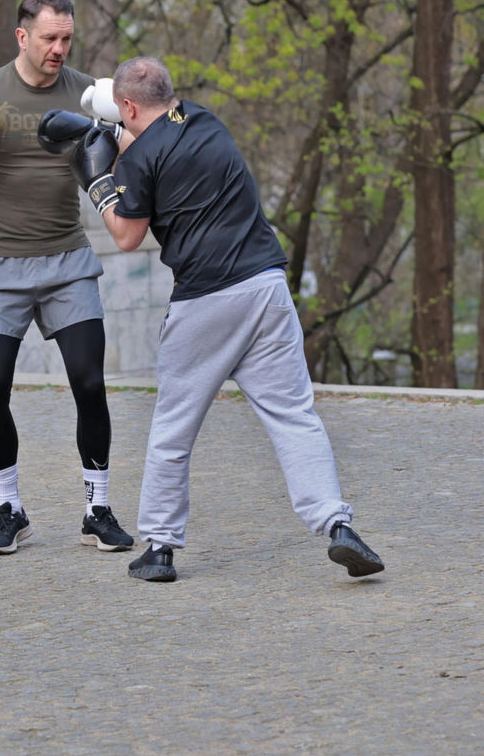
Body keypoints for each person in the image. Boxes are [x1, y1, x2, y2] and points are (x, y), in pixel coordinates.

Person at [65, 56, 385, 582]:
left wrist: (97, 182)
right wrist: (118, 138)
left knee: (173, 428)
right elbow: (159, 147)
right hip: (267, 290)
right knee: (294, 416)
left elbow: (126, 235)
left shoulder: (140, 158)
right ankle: (338, 525)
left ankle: (160, 548)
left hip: (207, 301)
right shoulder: (206, 120)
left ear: (127, 108)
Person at [0, 0, 133, 556]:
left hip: (67, 261)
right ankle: (10, 508)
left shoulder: (88, 94)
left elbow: (128, 158)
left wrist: (116, 138)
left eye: (66, 38)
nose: (59, 48)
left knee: (89, 383)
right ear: (23, 37)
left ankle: (97, 509)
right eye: (49, 38)